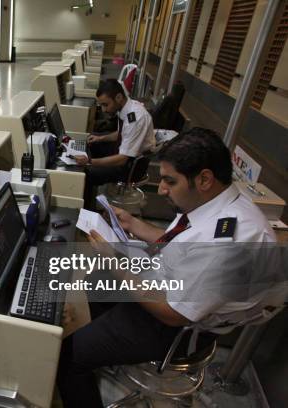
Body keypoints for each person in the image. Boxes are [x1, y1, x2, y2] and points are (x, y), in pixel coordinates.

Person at [57, 128, 277, 408]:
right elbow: (179, 243)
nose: (161, 189)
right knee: (96, 281)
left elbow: (172, 313)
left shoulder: (229, 244)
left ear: (205, 178)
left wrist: (118, 265)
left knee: (66, 357)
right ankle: (103, 347)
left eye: (169, 182)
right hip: (166, 285)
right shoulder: (213, 202)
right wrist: (135, 225)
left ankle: (87, 359)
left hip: (171, 327)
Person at [73, 79, 155, 209]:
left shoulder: (136, 117)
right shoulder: (126, 107)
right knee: (91, 142)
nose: (104, 110)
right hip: (124, 153)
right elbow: (123, 133)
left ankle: (86, 212)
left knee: (86, 174)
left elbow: (123, 159)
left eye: (106, 105)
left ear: (118, 97)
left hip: (130, 166)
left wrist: (89, 161)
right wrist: (100, 139)